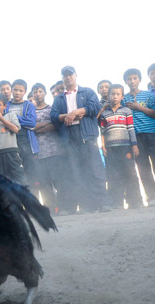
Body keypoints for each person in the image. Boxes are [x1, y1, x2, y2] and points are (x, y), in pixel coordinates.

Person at [50, 66, 111, 213]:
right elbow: (53, 117)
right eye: (65, 75)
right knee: (76, 172)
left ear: (75, 75)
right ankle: (87, 205)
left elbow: (95, 107)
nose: (68, 77)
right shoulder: (59, 98)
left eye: (70, 75)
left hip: (87, 136)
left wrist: (78, 111)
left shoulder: (87, 91)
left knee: (95, 170)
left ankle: (103, 203)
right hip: (69, 137)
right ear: (62, 78)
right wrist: (68, 116)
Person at [123, 68, 155, 206]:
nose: (132, 81)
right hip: (136, 138)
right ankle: (151, 198)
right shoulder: (124, 99)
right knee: (143, 168)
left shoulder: (148, 95)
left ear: (140, 80)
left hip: (152, 135)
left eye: (135, 78)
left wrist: (139, 107)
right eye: (129, 79)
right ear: (125, 81)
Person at [99, 84, 142, 209]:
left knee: (130, 173)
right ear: (109, 95)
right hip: (111, 148)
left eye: (118, 94)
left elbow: (131, 128)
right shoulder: (104, 113)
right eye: (113, 94)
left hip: (126, 147)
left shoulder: (126, 111)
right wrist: (103, 146)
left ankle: (135, 202)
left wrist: (134, 145)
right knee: (113, 175)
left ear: (122, 96)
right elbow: (102, 131)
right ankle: (116, 203)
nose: (115, 96)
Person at [32, 83, 71, 214]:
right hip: (39, 153)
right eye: (35, 92)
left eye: (40, 91)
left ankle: (63, 208)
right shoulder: (30, 111)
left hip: (55, 150)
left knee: (59, 181)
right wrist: (44, 124)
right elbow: (30, 128)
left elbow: (56, 125)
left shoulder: (51, 109)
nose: (37, 94)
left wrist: (38, 127)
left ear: (45, 93)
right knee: (45, 184)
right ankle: (50, 210)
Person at [6, 79, 39, 191]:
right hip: (10, 142)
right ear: (11, 90)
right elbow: (2, 120)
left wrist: (12, 118)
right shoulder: (6, 105)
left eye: (20, 90)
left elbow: (31, 123)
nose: (17, 93)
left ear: (25, 92)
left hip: (26, 141)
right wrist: (18, 120)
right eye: (15, 89)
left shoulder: (29, 105)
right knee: (14, 174)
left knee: (30, 175)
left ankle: (32, 203)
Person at [0, 94, 25, 184]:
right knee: (1, 184)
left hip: (12, 153)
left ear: (5, 106)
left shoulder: (11, 116)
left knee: (20, 181)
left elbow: (16, 129)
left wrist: (1, 119)